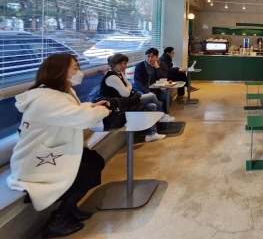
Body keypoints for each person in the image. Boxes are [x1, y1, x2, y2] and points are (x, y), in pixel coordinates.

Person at [7, 54, 109, 238]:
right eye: (75, 68)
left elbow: (73, 112)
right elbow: (81, 118)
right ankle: (56, 221)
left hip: (52, 152)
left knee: (93, 161)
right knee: (89, 169)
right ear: (60, 72)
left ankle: (70, 208)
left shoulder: (61, 92)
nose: (79, 72)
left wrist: (91, 107)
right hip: (35, 161)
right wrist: (103, 110)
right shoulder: (45, 99)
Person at [101, 53, 170, 142]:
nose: (123, 66)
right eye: (120, 63)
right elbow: (126, 93)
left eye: (125, 63)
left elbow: (129, 85)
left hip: (125, 101)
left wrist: (128, 87)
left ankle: (151, 134)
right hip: (118, 106)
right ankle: (162, 115)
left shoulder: (119, 74)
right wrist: (128, 87)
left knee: (152, 106)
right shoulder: (112, 77)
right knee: (152, 96)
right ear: (113, 64)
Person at [134, 48, 175, 126]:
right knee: (152, 101)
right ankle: (161, 116)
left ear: (157, 57)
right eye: (148, 56)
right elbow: (137, 82)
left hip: (155, 89)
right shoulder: (140, 66)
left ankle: (164, 117)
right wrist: (147, 91)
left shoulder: (162, 65)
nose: (150, 59)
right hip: (141, 90)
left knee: (167, 98)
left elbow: (163, 78)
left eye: (152, 57)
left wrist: (157, 67)